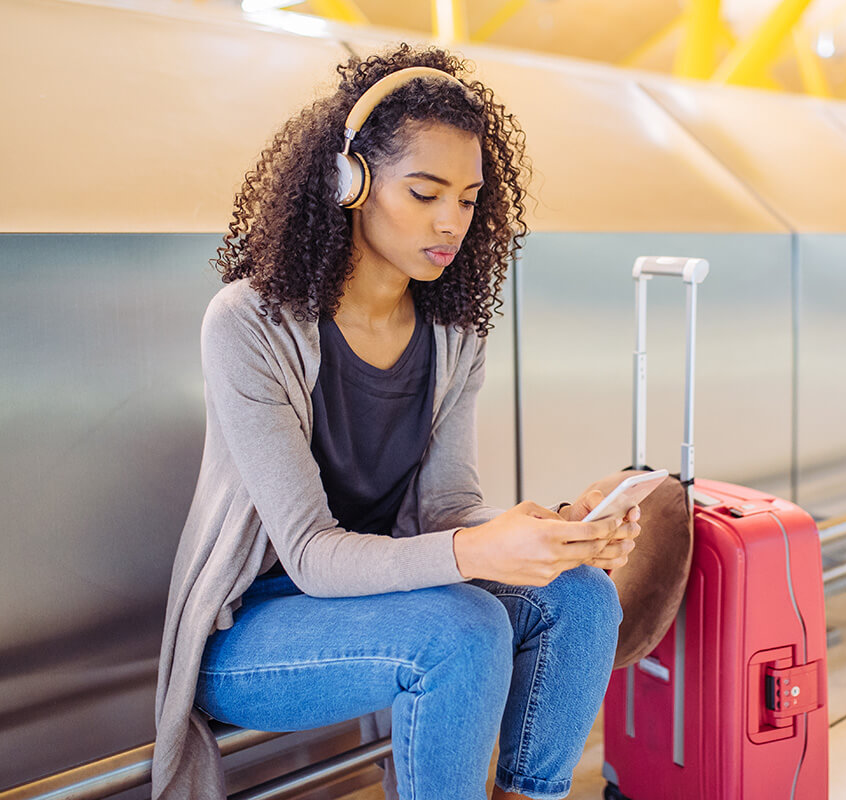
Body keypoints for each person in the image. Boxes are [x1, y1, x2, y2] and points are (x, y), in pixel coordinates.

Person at [152, 43, 640, 800]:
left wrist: (551, 534)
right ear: (351, 182)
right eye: (425, 193)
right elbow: (310, 554)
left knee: (581, 594)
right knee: (464, 631)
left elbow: (445, 511)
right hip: (251, 630)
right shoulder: (248, 324)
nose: (453, 221)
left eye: (470, 199)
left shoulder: (453, 335)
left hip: (386, 601)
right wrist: (481, 549)